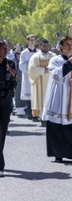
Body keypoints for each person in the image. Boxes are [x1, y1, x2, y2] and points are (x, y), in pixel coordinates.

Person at [41, 36, 72, 164]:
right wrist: (69, 64)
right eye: (67, 45)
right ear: (61, 47)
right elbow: (55, 75)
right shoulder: (55, 60)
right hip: (58, 98)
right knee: (57, 128)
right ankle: (58, 153)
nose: (70, 47)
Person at [28, 39, 55, 123]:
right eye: (44, 46)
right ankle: (43, 118)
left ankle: (51, 118)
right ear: (40, 46)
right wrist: (43, 70)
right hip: (40, 83)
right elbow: (31, 70)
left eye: (47, 46)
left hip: (51, 82)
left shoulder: (53, 56)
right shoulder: (35, 57)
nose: (46, 48)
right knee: (42, 100)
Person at [0, 40, 17, 177]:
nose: (5, 51)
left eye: (6, 48)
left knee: (2, 132)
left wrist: (13, 75)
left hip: (5, 101)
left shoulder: (10, 64)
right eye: (3, 48)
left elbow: (14, 83)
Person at [19, 34, 37, 120]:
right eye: (30, 40)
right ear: (28, 41)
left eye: (33, 40)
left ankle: (35, 114)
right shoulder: (24, 53)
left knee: (36, 96)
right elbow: (21, 65)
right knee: (29, 96)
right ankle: (29, 111)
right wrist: (30, 66)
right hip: (28, 77)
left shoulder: (38, 52)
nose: (32, 41)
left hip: (37, 77)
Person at [12, 45, 27, 118]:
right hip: (17, 81)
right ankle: (19, 111)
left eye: (20, 53)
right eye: (18, 54)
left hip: (25, 80)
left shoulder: (25, 61)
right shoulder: (13, 61)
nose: (19, 55)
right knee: (17, 96)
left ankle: (25, 109)